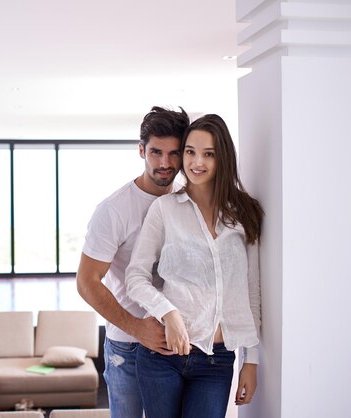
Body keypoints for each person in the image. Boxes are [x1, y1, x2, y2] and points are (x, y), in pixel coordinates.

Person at [125, 114, 263, 418]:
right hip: (162, 356)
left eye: (208, 153)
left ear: (223, 157)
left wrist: (250, 361)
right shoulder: (165, 209)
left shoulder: (245, 213)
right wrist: (168, 313)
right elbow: (135, 277)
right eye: (190, 151)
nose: (196, 162)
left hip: (218, 361)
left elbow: (251, 292)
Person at [76, 106, 190, 418]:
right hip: (128, 346)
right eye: (155, 152)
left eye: (174, 153)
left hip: (179, 343)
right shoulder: (114, 209)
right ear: (141, 150)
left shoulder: (188, 199)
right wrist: (137, 328)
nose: (165, 163)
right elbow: (86, 283)